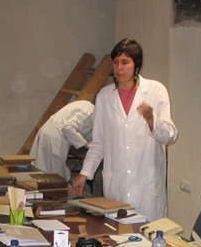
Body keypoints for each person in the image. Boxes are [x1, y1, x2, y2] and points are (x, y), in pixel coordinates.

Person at [72, 39, 178, 221]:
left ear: (136, 65)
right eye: (116, 62)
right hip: (117, 185)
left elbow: (170, 135)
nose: (119, 68)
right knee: (117, 236)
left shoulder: (156, 91)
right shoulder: (105, 96)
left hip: (147, 186)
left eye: (125, 62)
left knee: (148, 237)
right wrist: (85, 174)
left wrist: (152, 119)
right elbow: (99, 143)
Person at [30, 100, 94, 180]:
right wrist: (87, 145)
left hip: (50, 133)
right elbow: (68, 128)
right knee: (54, 175)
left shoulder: (89, 109)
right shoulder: (89, 112)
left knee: (47, 170)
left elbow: (86, 133)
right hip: (53, 137)